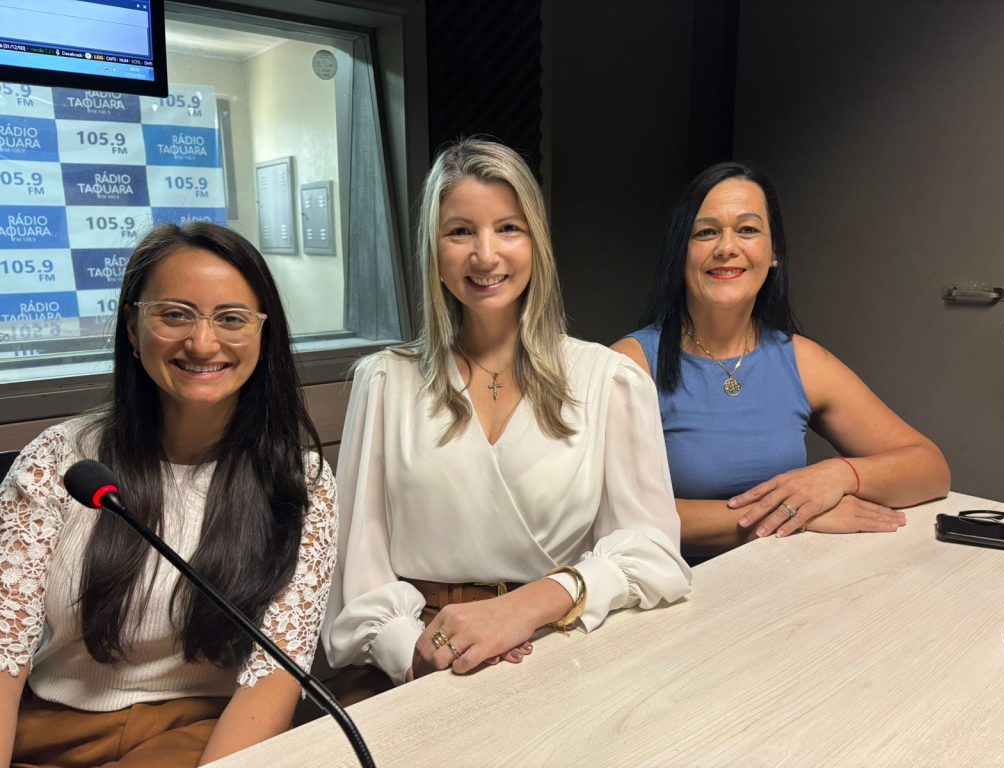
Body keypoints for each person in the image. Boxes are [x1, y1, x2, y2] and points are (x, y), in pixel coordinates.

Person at [322, 138, 691, 688]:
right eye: (460, 231)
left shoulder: (608, 380)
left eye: (508, 228)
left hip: (560, 643)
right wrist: (418, 655)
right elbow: (359, 568)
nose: (486, 254)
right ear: (433, 252)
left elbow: (653, 551)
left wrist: (531, 606)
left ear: (536, 243)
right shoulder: (383, 382)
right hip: (420, 661)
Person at [0, 222, 337, 767]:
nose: (202, 343)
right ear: (133, 329)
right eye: (175, 315)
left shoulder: (301, 481)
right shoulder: (58, 460)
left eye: (231, 319)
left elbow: (273, 678)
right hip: (50, 733)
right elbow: (3, 653)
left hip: (202, 734)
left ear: (264, 335)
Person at [613, 162, 950, 561]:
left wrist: (836, 476)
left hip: (785, 581)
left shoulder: (802, 359)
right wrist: (794, 515)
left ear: (773, 253)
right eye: (705, 232)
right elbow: (616, 518)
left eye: (747, 230)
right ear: (681, 253)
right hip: (675, 590)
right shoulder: (628, 365)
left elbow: (931, 469)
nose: (726, 247)